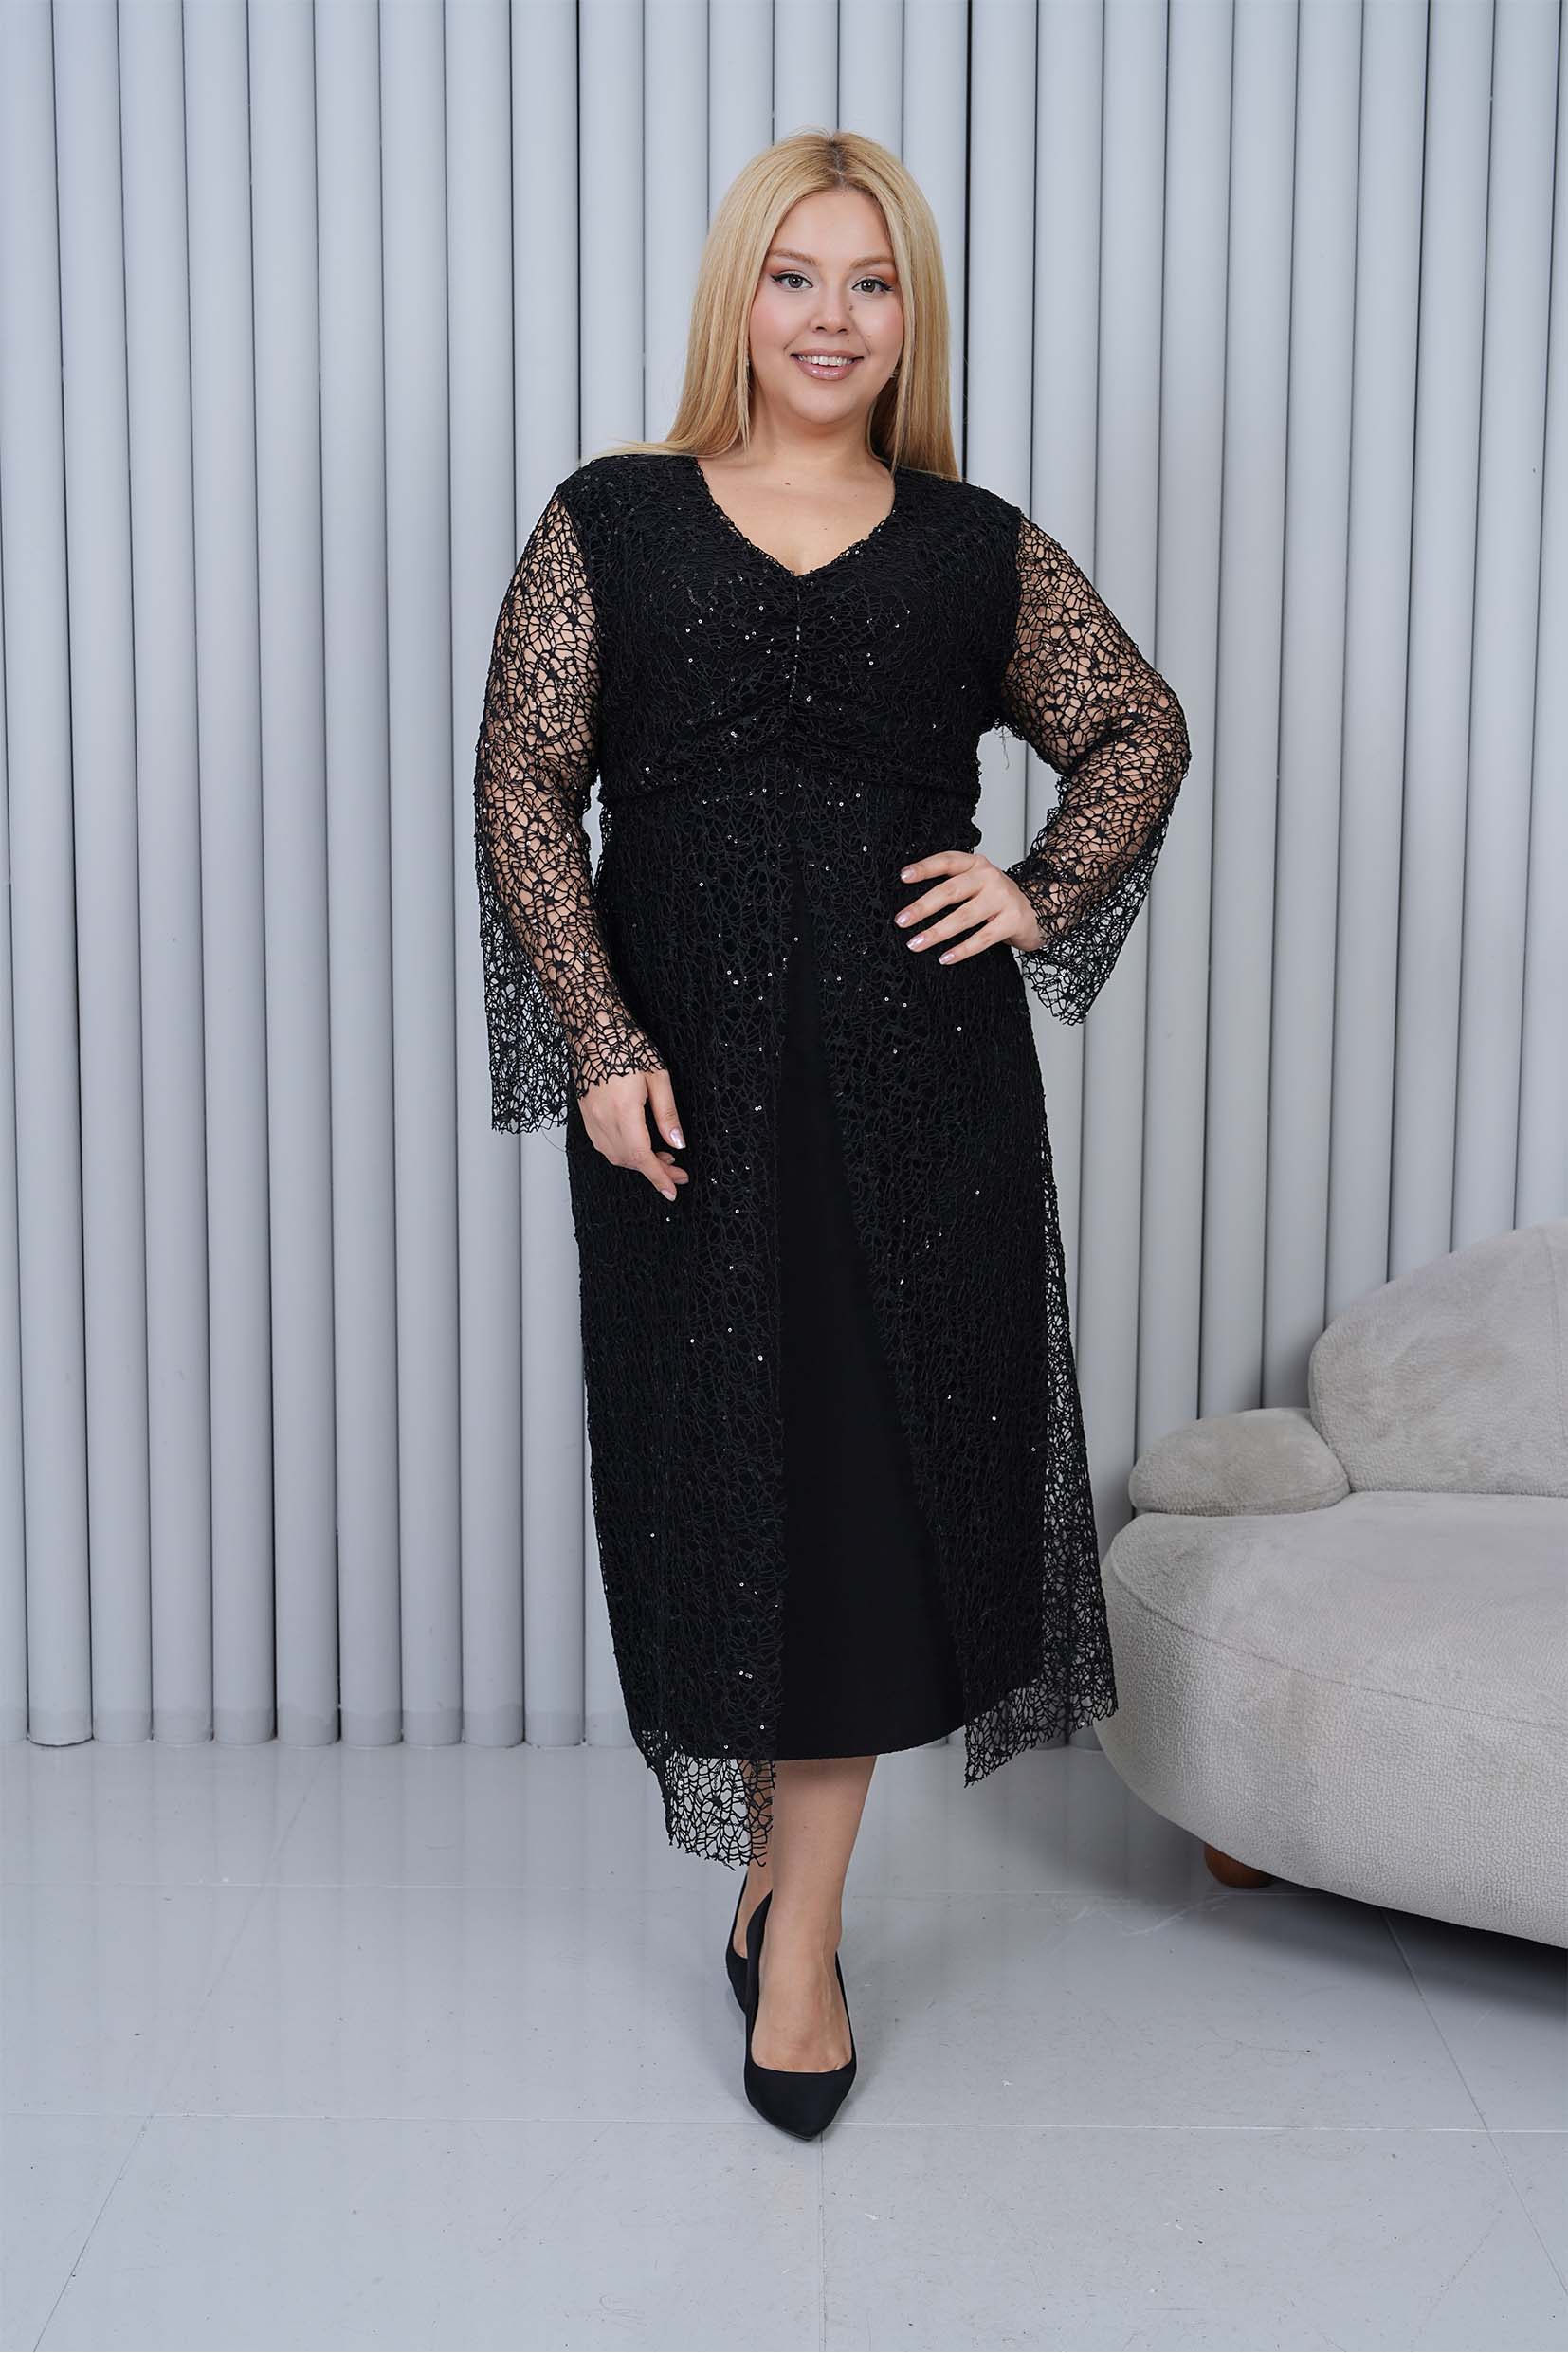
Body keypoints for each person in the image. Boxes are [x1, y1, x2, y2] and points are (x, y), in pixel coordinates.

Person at [472, 128, 1192, 2138]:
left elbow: (1136, 724)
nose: (830, 317)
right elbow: (523, 779)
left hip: (918, 1097)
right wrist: (596, 1036)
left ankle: (800, 1943)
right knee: (725, 1485)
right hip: (683, 1096)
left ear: (908, 315)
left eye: (870, 283)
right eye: (795, 276)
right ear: (740, 296)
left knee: (867, 1496)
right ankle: (775, 1876)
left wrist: (1037, 887)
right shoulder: (611, 518)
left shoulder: (969, 548)